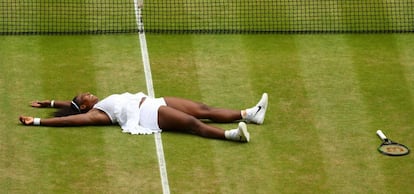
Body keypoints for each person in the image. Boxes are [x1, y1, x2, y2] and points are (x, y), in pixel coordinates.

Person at [19, 92, 268, 143]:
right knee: (194, 125)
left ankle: (249, 114)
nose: (88, 92)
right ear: (86, 107)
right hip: (147, 115)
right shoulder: (96, 114)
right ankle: (232, 136)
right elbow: (70, 119)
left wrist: (49, 103)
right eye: (85, 96)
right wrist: (38, 121)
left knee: (203, 109)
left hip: (152, 101)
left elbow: (71, 107)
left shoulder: (90, 104)